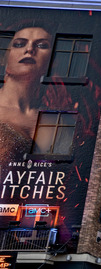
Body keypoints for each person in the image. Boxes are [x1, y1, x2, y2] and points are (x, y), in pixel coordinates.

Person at [0, 22, 54, 167]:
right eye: (19, 44)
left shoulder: (56, 119)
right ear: (3, 58)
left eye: (42, 45)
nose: (29, 49)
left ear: (52, 61)